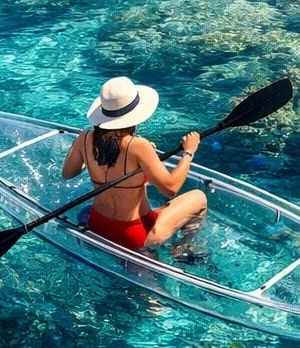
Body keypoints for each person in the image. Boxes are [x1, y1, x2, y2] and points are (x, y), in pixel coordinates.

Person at [62, 76, 208, 253]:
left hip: (98, 223)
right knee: (199, 198)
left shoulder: (84, 138)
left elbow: (68, 173)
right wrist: (188, 152)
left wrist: (91, 158)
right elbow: (171, 189)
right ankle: (182, 248)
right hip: (135, 234)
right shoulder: (138, 146)